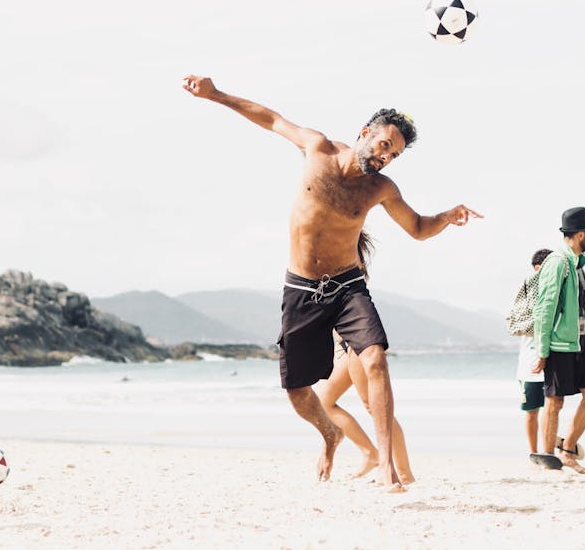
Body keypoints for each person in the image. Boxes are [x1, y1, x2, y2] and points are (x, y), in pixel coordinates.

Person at [182, 75, 482, 489]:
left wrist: (446, 218)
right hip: (302, 288)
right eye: (383, 146)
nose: (385, 158)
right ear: (365, 133)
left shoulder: (381, 189)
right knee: (297, 390)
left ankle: (387, 467)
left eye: (393, 155)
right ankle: (330, 434)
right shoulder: (317, 148)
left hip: (346, 286)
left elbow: (416, 226)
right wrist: (215, 95)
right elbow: (270, 119)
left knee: (375, 358)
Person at [315, 232, 415, 483]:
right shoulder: (326, 259)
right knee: (325, 401)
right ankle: (370, 453)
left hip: (357, 342)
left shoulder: (348, 256)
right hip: (346, 347)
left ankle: (403, 472)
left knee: (375, 407)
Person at [532, 206, 585, 474]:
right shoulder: (557, 262)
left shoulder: (577, 265)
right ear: (580, 234)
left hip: (580, 343)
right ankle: (548, 459)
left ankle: (568, 450)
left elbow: (572, 306)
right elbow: (545, 306)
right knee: (555, 401)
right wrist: (542, 348)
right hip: (560, 344)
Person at [512, 248, 552, 455]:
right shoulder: (528, 291)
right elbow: (517, 322)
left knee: (552, 409)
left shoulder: (556, 292)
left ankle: (549, 449)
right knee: (531, 412)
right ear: (538, 269)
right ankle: (533, 452)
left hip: (552, 360)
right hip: (529, 364)